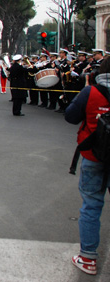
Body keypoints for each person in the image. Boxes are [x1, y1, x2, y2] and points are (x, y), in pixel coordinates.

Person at [65, 56, 110, 275]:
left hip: (94, 155)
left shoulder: (91, 91)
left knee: (92, 206)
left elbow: (70, 117)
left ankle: (88, 259)